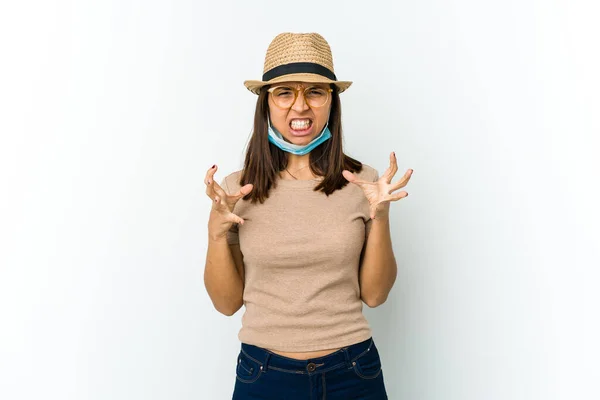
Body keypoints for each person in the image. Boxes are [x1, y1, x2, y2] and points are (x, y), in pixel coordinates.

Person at [204, 32, 413, 399]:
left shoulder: (363, 182)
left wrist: (380, 216)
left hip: (353, 371)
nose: (300, 107)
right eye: (285, 92)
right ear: (266, 104)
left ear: (331, 102)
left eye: (315, 92)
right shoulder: (237, 189)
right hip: (264, 375)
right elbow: (226, 304)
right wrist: (216, 234)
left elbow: (376, 295)